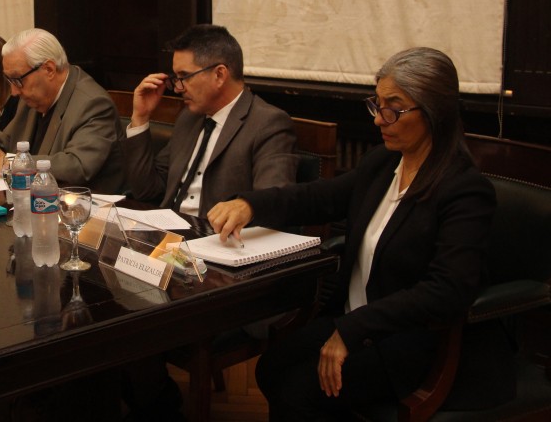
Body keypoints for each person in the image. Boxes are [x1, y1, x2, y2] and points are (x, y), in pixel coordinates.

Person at [208, 47, 509, 419]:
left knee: (297, 391)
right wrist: (250, 205)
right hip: (356, 322)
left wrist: (352, 329)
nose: (379, 120)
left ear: (434, 112)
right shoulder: (383, 163)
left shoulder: (463, 189)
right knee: (270, 368)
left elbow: (447, 290)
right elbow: (317, 198)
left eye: (393, 109)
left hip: (409, 340)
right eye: (376, 104)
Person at [123, 24, 298, 218]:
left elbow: (272, 207)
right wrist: (140, 117)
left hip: (219, 240)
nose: (177, 88)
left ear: (219, 75)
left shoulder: (268, 123)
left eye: (184, 76)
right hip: (168, 232)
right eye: (176, 77)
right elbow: (147, 191)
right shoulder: (189, 118)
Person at [0, 28, 124, 193]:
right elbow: (6, 141)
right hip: (34, 201)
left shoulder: (93, 104)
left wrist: (5, 161)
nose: (13, 91)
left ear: (49, 69)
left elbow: (77, 166)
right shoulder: (32, 95)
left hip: (85, 214)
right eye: (9, 81)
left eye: (17, 80)